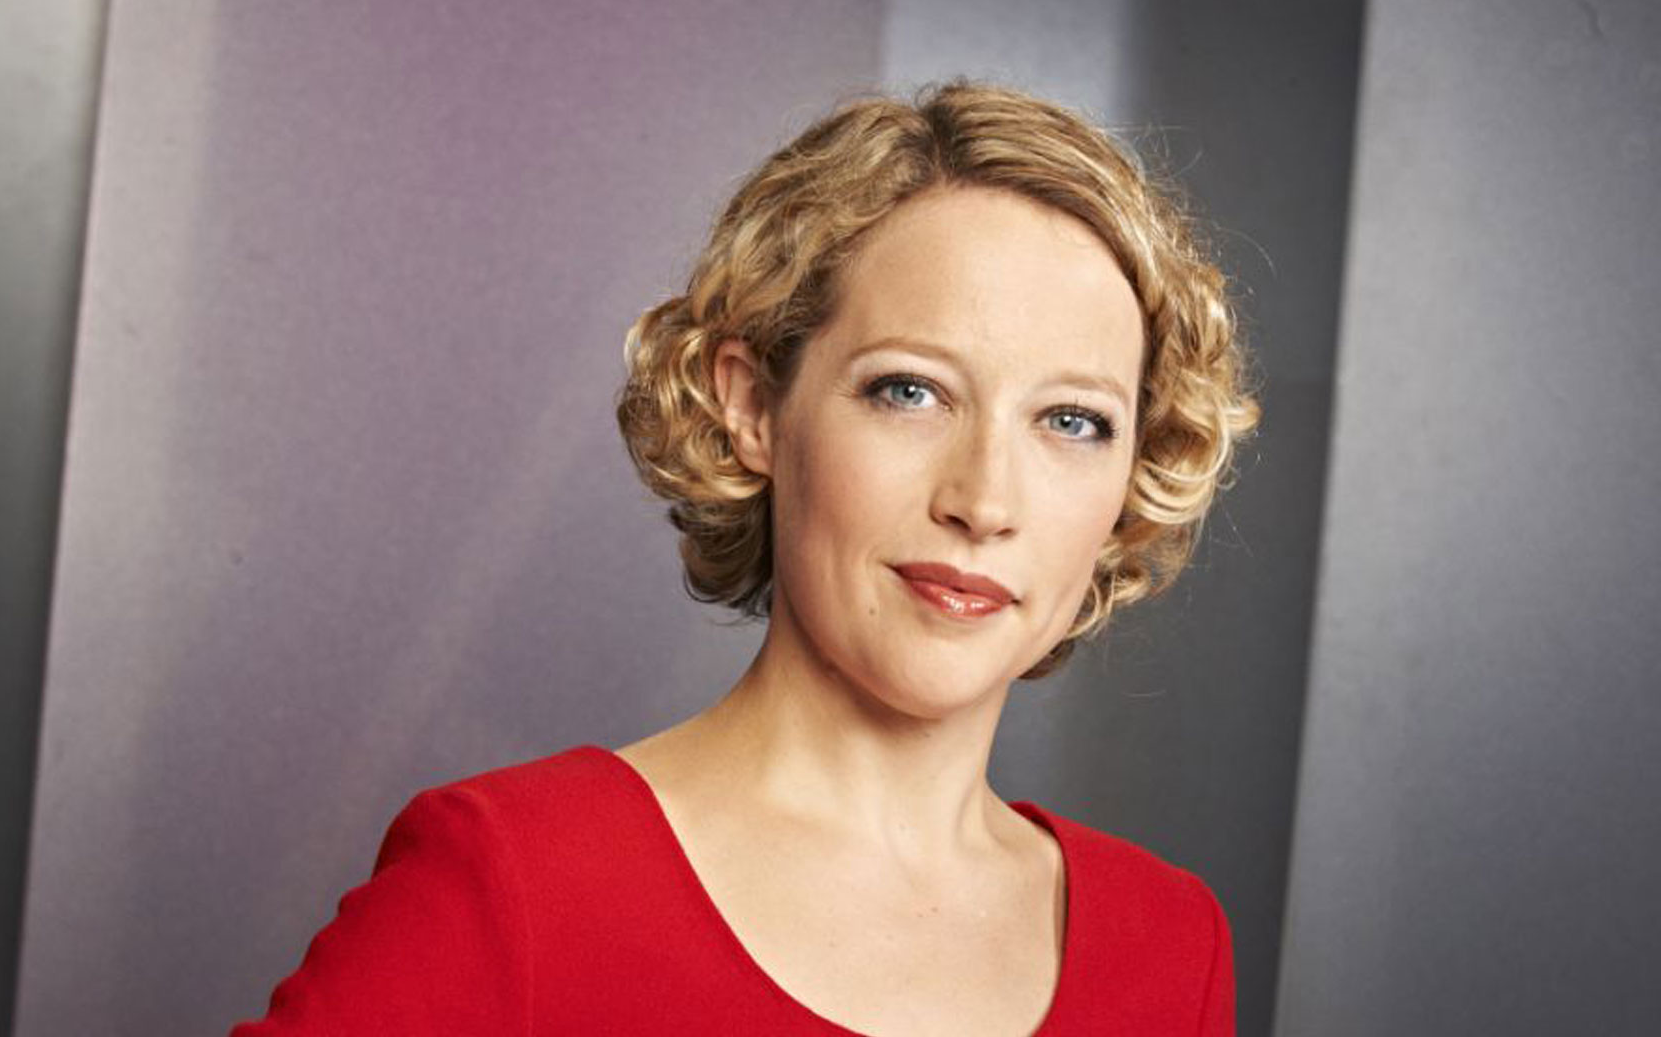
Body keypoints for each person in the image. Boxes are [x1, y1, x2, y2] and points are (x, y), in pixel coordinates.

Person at [230, 79, 1259, 1036]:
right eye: (910, 391)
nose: (985, 501)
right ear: (753, 405)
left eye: (1073, 421)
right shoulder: (517, 882)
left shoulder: (1171, 945)